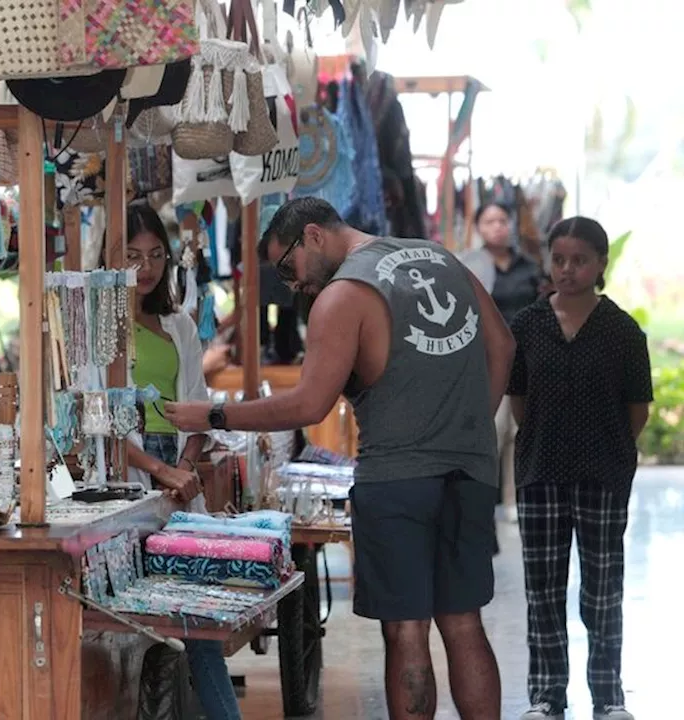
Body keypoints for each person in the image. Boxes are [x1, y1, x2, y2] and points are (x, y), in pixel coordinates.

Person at [164, 197, 513, 720]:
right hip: (469, 471)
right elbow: (503, 346)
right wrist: (468, 431)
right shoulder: (441, 259)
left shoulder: (344, 295)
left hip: (397, 482)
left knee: (407, 630)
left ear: (314, 236)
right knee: (464, 622)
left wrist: (212, 416)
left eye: (289, 267)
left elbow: (309, 403)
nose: (293, 285)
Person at [509, 217, 652, 720]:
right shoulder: (527, 325)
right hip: (540, 471)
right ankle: (547, 695)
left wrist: (605, 448)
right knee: (543, 588)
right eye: (559, 259)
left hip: (604, 474)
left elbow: (638, 408)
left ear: (601, 264)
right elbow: (519, 402)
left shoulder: (622, 331)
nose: (568, 270)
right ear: (549, 261)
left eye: (580, 260)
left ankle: (608, 696)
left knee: (602, 588)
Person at [121, 202, 241, 720]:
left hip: (178, 482)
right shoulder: (97, 323)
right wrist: (158, 469)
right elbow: (96, 417)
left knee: (199, 618)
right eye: (131, 255)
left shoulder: (179, 325)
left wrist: (185, 469)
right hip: (122, 476)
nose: (145, 268)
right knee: (121, 622)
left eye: (154, 255)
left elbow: (195, 407)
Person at [460, 201, 543, 518]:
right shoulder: (470, 265)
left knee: (519, 431)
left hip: (527, 356)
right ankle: (484, 500)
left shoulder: (528, 267)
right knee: (492, 426)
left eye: (503, 220)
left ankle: (512, 501)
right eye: (490, 221)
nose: (498, 226)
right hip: (486, 357)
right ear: (478, 227)